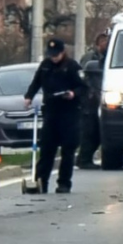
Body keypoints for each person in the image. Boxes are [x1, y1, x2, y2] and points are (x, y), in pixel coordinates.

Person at [23, 38, 87, 193]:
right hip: (51, 111)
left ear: (62, 52)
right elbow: (36, 82)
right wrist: (29, 96)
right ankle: (40, 182)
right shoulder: (45, 66)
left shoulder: (72, 66)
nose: (54, 57)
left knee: (67, 150)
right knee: (47, 149)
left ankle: (64, 183)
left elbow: (84, 87)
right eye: (51, 54)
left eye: (56, 54)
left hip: (69, 113)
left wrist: (73, 93)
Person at [77, 31, 109, 169]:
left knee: (98, 131)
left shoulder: (108, 56)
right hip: (89, 100)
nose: (106, 44)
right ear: (97, 44)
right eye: (103, 42)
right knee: (90, 131)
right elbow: (84, 76)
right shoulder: (90, 58)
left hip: (101, 97)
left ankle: (86, 158)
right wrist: (89, 92)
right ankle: (84, 160)